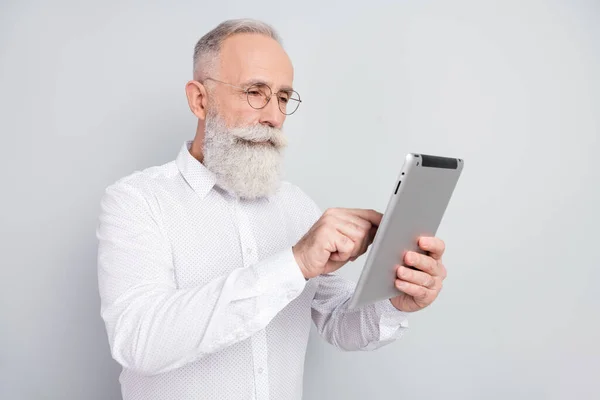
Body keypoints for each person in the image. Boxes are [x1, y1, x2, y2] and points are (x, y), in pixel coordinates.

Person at [96, 18, 447, 400]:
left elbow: (338, 322)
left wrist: (394, 302)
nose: (274, 117)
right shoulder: (137, 201)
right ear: (200, 100)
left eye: (282, 97)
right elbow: (140, 341)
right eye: (254, 92)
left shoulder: (296, 205)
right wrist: (294, 263)